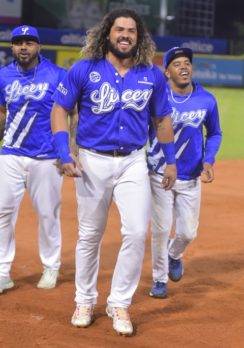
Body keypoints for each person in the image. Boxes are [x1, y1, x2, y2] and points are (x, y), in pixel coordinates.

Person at [51, 8, 176, 336]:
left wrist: (172, 160)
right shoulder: (84, 69)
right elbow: (61, 108)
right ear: (108, 33)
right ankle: (84, 299)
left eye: (131, 31)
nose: (125, 35)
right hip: (93, 161)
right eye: (119, 29)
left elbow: (162, 119)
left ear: (139, 37)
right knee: (90, 235)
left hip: (134, 161)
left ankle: (119, 302)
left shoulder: (151, 73)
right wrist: (63, 152)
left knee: (136, 232)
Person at [147, 47, 222, 298]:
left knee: (188, 232)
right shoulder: (158, 97)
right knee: (160, 229)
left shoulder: (206, 99)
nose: (184, 67)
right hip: (159, 174)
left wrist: (208, 160)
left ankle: (174, 253)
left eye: (187, 63)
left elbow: (214, 133)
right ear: (166, 71)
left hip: (190, 176)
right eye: (177, 63)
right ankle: (159, 279)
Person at [0, 25, 67, 293]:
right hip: (11, 154)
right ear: (12, 47)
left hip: (46, 157)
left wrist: (67, 152)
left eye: (29, 42)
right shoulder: (3, 75)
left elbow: (68, 113)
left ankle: (51, 265)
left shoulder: (57, 75)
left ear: (39, 46)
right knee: (2, 212)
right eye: (18, 43)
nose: (23, 47)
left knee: (48, 214)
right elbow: (2, 112)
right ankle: (2, 270)